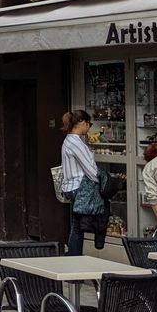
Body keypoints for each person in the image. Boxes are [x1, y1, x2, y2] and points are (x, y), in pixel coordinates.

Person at [59, 109, 110, 256]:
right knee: (79, 228)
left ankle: (74, 259)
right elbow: (90, 169)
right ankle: (75, 261)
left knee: (77, 227)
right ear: (81, 122)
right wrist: (102, 183)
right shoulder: (75, 143)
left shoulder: (69, 140)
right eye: (89, 124)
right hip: (79, 188)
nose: (89, 128)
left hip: (73, 187)